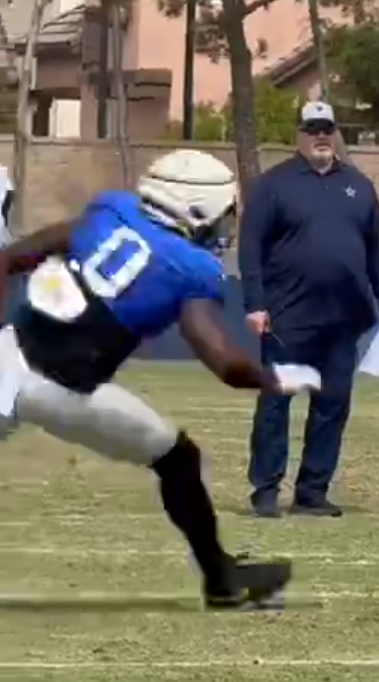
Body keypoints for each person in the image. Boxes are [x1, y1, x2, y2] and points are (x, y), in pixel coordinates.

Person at [0, 150, 308, 607]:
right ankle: (221, 579)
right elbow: (223, 362)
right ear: (197, 208)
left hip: (8, 350)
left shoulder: (111, 210)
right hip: (62, 389)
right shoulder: (192, 268)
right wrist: (272, 378)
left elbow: (11, 257)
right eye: (223, 214)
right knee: (177, 459)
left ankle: (222, 577)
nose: (225, 225)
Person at [241, 100, 379, 518]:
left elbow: (376, 248)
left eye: (327, 127)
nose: (321, 136)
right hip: (288, 318)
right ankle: (266, 490)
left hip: (342, 318)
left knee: (333, 405)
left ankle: (312, 491)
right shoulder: (273, 185)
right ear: (299, 135)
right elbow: (251, 247)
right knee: (277, 405)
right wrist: (255, 303)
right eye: (313, 128)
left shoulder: (359, 186)